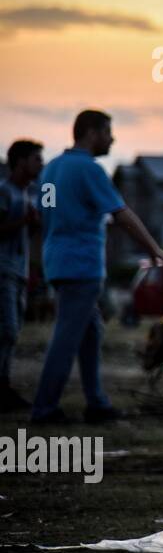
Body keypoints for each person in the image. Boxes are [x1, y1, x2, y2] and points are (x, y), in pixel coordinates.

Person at [29, 110, 163, 425]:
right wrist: (155, 250)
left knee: (91, 332)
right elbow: (121, 213)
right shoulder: (89, 170)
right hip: (82, 266)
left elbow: (43, 217)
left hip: (57, 262)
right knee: (66, 338)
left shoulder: (51, 169)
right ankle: (44, 409)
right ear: (91, 133)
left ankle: (97, 403)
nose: (112, 138)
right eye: (108, 132)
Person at [0, 139, 44, 411]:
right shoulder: (4, 192)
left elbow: (24, 234)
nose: (41, 164)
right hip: (3, 270)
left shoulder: (30, 194)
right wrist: (23, 222)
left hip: (18, 271)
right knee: (7, 330)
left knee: (11, 332)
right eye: (37, 159)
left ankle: (4, 385)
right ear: (21, 161)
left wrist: (33, 225)